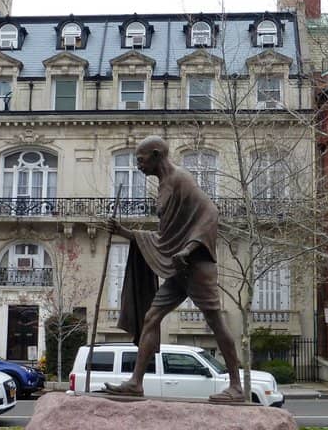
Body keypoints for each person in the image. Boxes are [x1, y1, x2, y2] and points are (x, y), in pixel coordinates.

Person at [103, 135, 244, 402]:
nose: (138, 165)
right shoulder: (163, 185)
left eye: (140, 160)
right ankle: (136, 383)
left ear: (157, 155)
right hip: (178, 271)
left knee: (215, 321)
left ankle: (236, 386)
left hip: (196, 266)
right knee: (151, 317)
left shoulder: (181, 179)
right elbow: (165, 236)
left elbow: (210, 213)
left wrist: (188, 249)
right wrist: (125, 232)